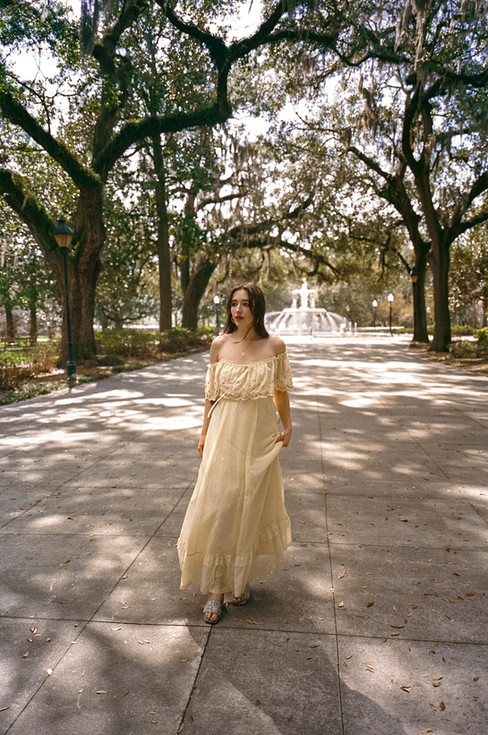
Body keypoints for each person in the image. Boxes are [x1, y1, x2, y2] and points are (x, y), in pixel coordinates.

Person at [177, 283, 293, 624]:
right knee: (221, 502)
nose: (237, 310)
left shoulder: (275, 346)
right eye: (233, 304)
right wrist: (203, 432)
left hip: (259, 433)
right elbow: (210, 395)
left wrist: (288, 425)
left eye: (245, 304)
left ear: (258, 308)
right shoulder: (219, 345)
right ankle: (216, 588)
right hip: (224, 431)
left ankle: (239, 580)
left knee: (250, 501)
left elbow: (280, 390)